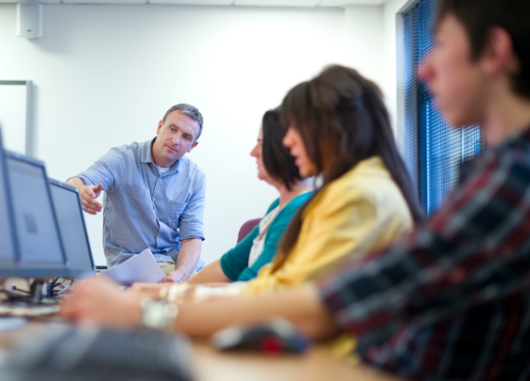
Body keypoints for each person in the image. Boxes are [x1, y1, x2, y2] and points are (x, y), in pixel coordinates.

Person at [63, 0, 530, 381]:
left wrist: (148, 310)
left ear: (494, 51)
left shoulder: (517, 179)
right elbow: (277, 286)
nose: (424, 67)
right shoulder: (503, 172)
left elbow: (317, 309)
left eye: (441, 43)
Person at [63, 64, 423, 359]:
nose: (289, 142)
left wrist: (147, 310)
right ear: (159, 127)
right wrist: (166, 297)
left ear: (330, 128)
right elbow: (266, 287)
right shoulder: (353, 189)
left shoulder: (358, 195)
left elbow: (285, 304)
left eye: (294, 130)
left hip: (332, 366)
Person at [67, 104, 206, 283]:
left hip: (174, 263)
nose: (175, 140)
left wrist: (181, 273)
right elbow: (77, 181)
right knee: (204, 294)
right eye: (172, 129)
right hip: (131, 264)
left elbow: (192, 236)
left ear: (192, 146)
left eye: (186, 137)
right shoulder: (122, 159)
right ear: (159, 127)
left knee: (222, 286)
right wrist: (81, 191)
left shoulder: (195, 178)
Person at [188, 109, 312, 285]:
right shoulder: (280, 204)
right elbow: (230, 264)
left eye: (261, 143)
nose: (253, 152)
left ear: (286, 148)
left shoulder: (297, 209)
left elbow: (249, 285)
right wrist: (172, 294)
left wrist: (171, 298)